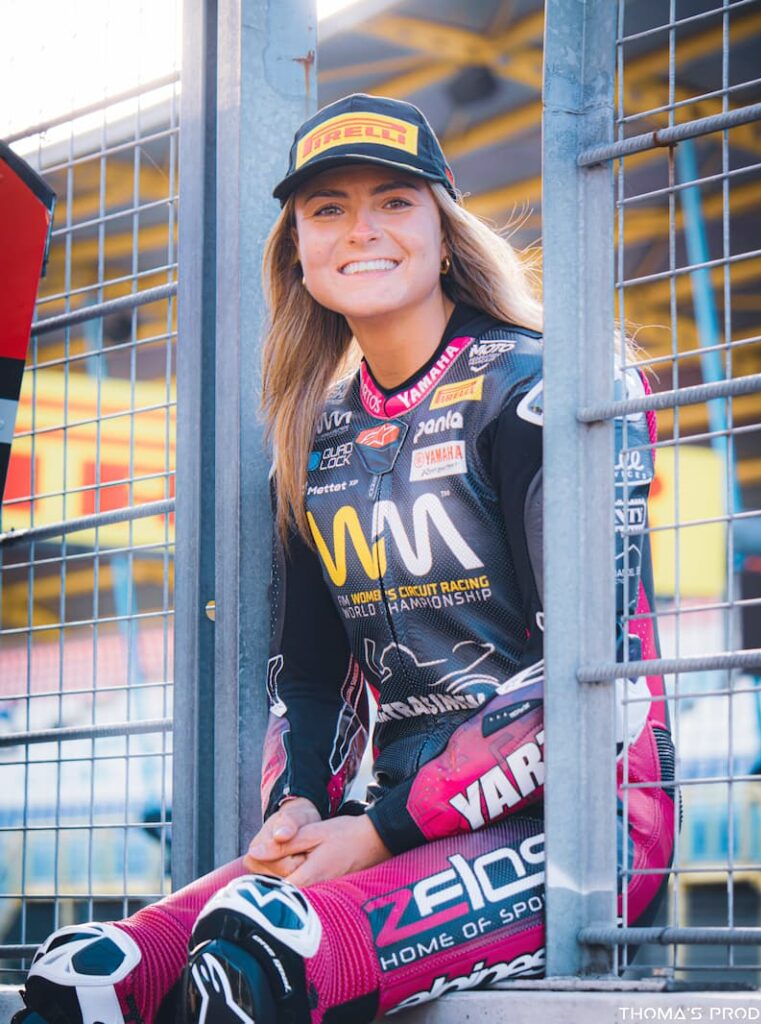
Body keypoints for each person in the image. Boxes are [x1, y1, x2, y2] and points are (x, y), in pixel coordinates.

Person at [14, 93, 676, 1024]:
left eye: (395, 200)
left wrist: (377, 831)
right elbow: (312, 678)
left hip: (586, 827)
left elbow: (596, 684)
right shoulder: (312, 437)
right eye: (328, 208)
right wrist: (298, 807)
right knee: (82, 977)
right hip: (397, 822)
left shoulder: (547, 388)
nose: (361, 228)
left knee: (256, 958)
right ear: (297, 249)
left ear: (444, 232)